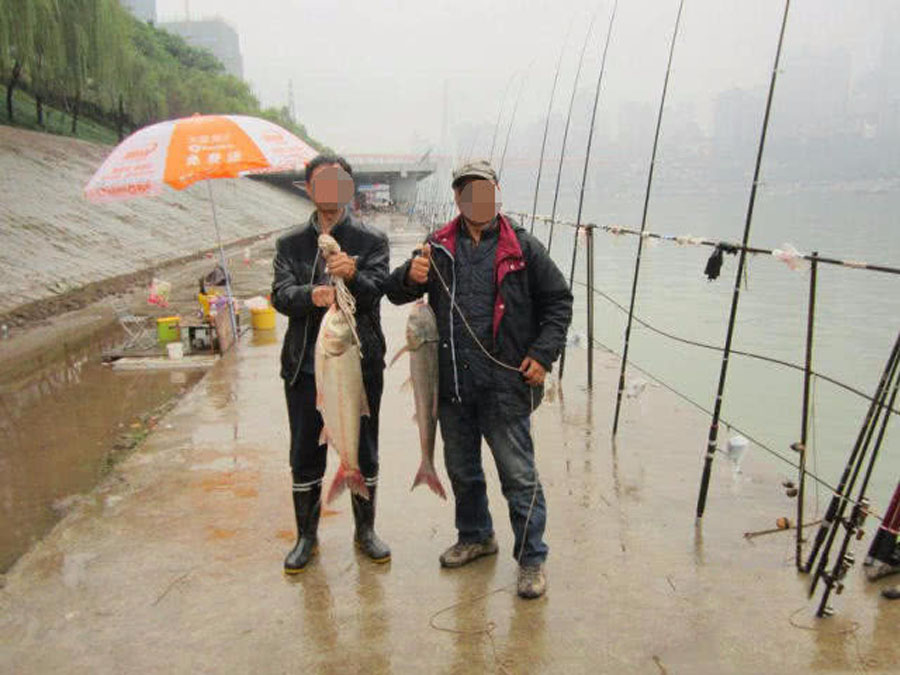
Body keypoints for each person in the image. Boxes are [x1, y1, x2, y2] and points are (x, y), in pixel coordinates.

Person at [384, 159, 573, 598]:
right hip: (451, 387)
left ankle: (531, 560)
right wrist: (408, 275)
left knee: (519, 477)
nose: (476, 198)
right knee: (463, 470)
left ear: (496, 192)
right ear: (457, 198)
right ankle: (475, 536)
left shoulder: (523, 247)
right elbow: (398, 293)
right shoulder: (438, 245)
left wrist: (543, 355)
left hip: (506, 386)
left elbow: (558, 303)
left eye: (483, 189)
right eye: (467, 191)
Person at [272, 154, 391, 573]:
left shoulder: (371, 240)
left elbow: (380, 292)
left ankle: (365, 531)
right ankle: (307, 536)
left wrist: (353, 275)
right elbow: (279, 295)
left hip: (360, 363)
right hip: (305, 364)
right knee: (304, 451)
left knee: (363, 445)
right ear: (308, 189)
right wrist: (313, 295)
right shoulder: (290, 244)